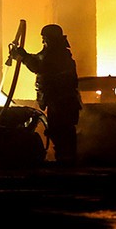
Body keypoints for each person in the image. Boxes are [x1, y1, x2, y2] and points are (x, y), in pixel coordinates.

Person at [8, 24, 82, 165]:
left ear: (51, 38)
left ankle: (67, 163)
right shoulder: (52, 53)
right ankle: (64, 161)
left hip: (63, 102)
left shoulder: (59, 55)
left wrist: (23, 57)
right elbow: (38, 59)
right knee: (57, 131)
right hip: (56, 101)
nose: (43, 42)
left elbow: (40, 67)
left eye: (45, 38)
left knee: (61, 132)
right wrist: (22, 55)